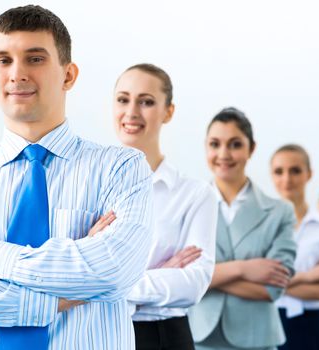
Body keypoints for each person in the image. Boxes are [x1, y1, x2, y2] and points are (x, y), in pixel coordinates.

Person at [0, 5, 153, 350]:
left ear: (68, 75)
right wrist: (54, 300)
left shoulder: (121, 169)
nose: (17, 73)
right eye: (3, 60)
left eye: (35, 59)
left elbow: (113, 270)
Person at [107, 63, 217, 350]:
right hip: (98, 333)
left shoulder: (195, 194)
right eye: (123, 99)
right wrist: (159, 276)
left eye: (146, 102)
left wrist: (111, 287)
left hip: (163, 337)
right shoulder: (91, 188)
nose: (131, 112)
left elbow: (193, 283)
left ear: (168, 112)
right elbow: (72, 275)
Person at [189, 107, 297, 350]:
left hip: (257, 339)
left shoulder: (280, 212)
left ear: (252, 148)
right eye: (215, 144)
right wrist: (244, 269)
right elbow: (179, 277)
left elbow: (272, 288)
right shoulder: (188, 205)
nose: (223, 154)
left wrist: (204, 276)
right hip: (200, 338)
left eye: (235, 144)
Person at [270, 144, 319, 350]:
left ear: (309, 174)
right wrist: (308, 277)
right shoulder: (260, 226)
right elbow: (253, 284)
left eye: (295, 171)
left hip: (312, 326)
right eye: (279, 171)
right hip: (268, 323)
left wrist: (272, 285)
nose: (287, 179)